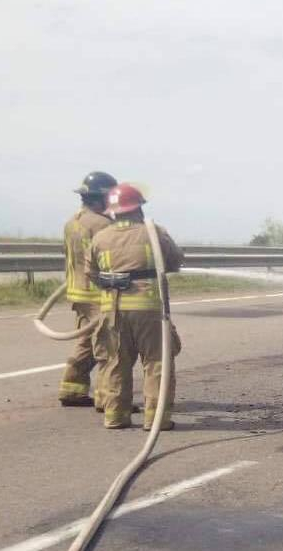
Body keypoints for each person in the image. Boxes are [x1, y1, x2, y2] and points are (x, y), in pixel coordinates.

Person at [87, 184, 184, 429]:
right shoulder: (153, 233)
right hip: (148, 308)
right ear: (138, 208)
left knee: (115, 361)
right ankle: (156, 418)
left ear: (112, 211)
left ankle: (115, 416)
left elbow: (91, 273)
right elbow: (174, 261)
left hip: (112, 311)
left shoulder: (100, 237)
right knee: (156, 362)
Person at [57, 171, 117, 407]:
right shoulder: (104, 225)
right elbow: (111, 258)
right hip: (98, 294)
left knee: (86, 343)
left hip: (78, 293)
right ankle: (108, 399)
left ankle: (71, 389)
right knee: (109, 347)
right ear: (102, 198)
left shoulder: (72, 223)